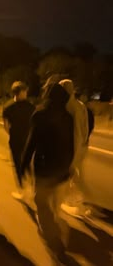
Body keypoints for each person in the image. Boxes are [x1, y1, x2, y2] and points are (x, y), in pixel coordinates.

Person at [21, 84, 75, 265]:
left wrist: (23, 166)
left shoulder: (39, 115)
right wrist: (69, 168)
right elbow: (71, 145)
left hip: (45, 169)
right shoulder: (68, 117)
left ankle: (56, 244)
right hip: (62, 171)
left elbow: (31, 143)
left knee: (42, 206)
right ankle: (57, 232)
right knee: (53, 206)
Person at [59, 79, 90, 216]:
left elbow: (77, 132)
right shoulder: (80, 105)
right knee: (74, 176)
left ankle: (78, 206)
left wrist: (74, 155)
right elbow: (85, 130)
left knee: (71, 175)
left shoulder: (69, 107)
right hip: (81, 147)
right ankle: (76, 203)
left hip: (73, 149)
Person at [3, 81, 34, 199]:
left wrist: (13, 133)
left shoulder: (8, 107)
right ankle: (29, 188)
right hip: (26, 140)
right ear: (19, 92)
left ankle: (23, 190)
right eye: (24, 91)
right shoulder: (30, 106)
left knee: (18, 164)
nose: (26, 93)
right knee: (25, 164)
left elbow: (6, 126)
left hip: (16, 140)